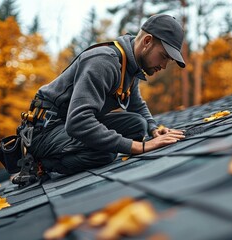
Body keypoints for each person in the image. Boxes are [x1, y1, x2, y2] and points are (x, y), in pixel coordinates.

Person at [26, 14, 186, 175]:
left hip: (66, 125)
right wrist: (141, 147)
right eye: (164, 56)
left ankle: (66, 152)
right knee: (105, 153)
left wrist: (154, 128)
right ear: (147, 41)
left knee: (138, 125)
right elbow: (78, 122)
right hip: (45, 131)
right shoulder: (103, 61)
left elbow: (136, 103)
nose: (164, 65)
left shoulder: (130, 65)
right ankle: (42, 163)